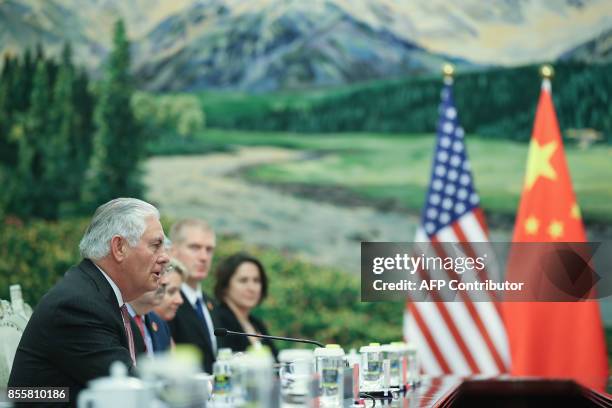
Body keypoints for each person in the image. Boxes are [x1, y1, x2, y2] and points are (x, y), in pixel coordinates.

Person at [8, 198, 169, 405]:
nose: (165, 257)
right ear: (119, 247)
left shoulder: (104, 298)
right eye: (156, 245)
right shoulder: (78, 305)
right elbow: (129, 389)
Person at [167, 219, 218, 373]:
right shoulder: (164, 301)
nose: (204, 257)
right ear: (173, 251)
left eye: (209, 250)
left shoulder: (212, 304)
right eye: (194, 247)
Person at [214, 252, 278, 359]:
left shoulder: (257, 323)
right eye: (243, 280)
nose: (251, 288)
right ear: (225, 285)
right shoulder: (217, 321)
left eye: (256, 280)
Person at [128, 278, 173, 356]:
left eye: (165, 272)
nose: (165, 281)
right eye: (157, 273)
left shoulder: (160, 324)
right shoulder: (112, 318)